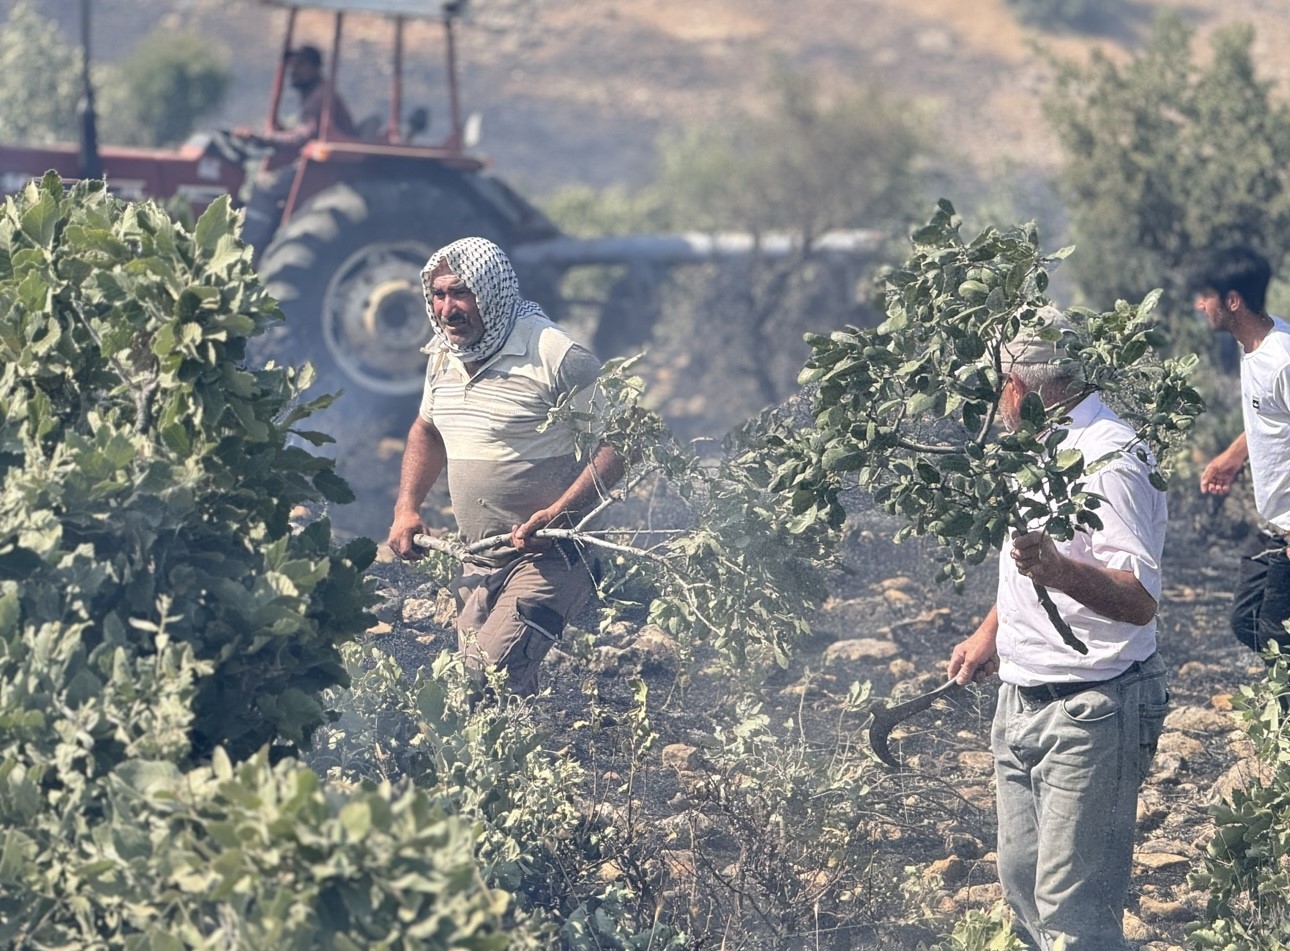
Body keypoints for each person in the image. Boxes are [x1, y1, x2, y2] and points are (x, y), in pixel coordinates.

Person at [947, 313, 1170, 950]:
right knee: (1022, 891)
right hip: (1019, 696)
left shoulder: (1109, 459)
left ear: (1018, 385)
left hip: (1095, 705)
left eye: (999, 386)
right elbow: (1027, 560)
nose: (997, 400)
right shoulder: (1034, 447)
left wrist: (1060, 570)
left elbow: (1140, 600)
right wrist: (993, 628)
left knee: (1074, 919)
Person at [386, 236, 624, 698]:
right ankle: (523, 770)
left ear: (492, 291)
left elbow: (623, 442)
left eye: (461, 292)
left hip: (550, 557)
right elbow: (426, 430)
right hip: (479, 560)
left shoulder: (556, 355)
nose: (448, 309)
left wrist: (562, 513)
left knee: (482, 681)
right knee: (489, 697)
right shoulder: (443, 356)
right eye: (438, 295)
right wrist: (406, 506)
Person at [1193, 246, 1290, 656]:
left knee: (1276, 637)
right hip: (1273, 521)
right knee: (1248, 620)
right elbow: (1272, 413)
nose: (1200, 305)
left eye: (1207, 297)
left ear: (1233, 301)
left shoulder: (1282, 360)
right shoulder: (1252, 344)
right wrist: (1234, 456)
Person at [239, 45, 356, 257]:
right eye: (292, 65)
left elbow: (300, 138)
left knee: (265, 186)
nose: (294, 71)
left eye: (300, 65)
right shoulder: (316, 94)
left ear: (315, 67)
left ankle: (249, 253)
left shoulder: (321, 96)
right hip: (320, 163)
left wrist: (259, 137)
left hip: (328, 167)